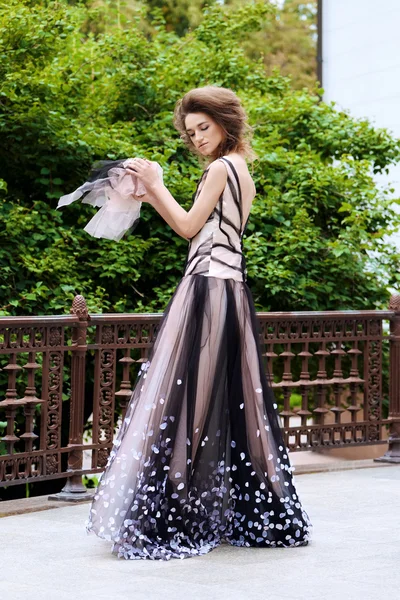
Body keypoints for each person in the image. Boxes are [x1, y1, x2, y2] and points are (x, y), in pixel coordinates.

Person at [85, 85, 312, 560]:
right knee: (226, 401)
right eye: (191, 133)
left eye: (203, 128)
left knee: (189, 398)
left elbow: (188, 228)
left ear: (226, 122)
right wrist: (149, 193)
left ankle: (175, 516)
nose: (198, 138)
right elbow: (200, 227)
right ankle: (251, 512)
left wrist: (157, 183)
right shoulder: (241, 170)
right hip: (228, 288)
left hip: (208, 287)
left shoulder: (221, 168)